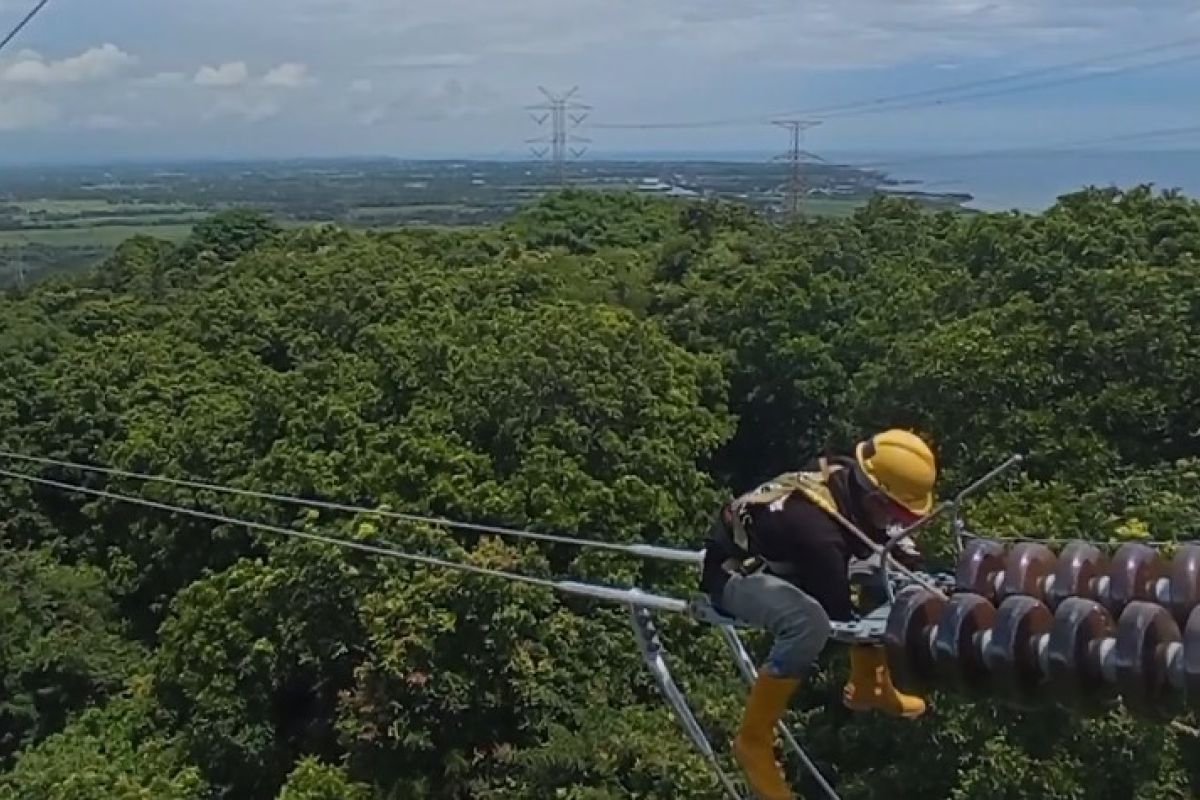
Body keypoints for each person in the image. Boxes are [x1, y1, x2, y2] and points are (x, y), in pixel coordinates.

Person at [699, 428, 938, 800]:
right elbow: (840, 615)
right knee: (808, 623)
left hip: (790, 559)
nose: (901, 524)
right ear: (875, 498)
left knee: (887, 572)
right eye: (897, 514)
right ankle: (753, 740)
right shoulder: (818, 534)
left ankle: (869, 684)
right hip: (737, 573)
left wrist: (910, 566)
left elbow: (885, 544)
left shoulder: (843, 475)